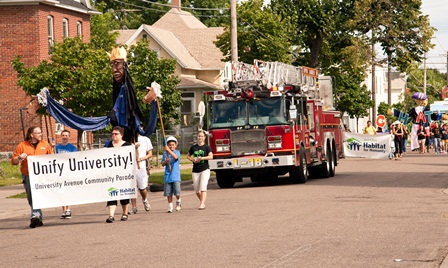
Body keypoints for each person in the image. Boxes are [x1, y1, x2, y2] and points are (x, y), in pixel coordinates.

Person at [11, 126, 52, 228]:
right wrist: (19, 157)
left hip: (42, 175)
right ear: (31, 134)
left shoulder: (45, 145)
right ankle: (39, 219)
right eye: (38, 133)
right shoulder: (22, 145)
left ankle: (35, 216)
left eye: (41, 133)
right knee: (31, 197)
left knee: (37, 196)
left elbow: (51, 158)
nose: (40, 135)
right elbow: (13, 161)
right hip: (28, 175)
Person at [105, 126, 131, 223]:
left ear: (121, 135)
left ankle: (125, 213)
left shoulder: (127, 145)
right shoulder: (108, 145)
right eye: (112, 134)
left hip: (124, 175)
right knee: (111, 194)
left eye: (116, 134)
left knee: (123, 195)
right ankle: (111, 216)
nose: (114, 135)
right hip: (111, 175)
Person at [187, 130, 213, 210]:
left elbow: (211, 157)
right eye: (199, 136)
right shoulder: (193, 147)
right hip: (195, 170)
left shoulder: (207, 147)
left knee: (203, 187)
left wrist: (202, 158)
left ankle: (202, 204)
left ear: (204, 137)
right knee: (196, 190)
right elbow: (188, 155)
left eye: (202, 136)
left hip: (205, 169)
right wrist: (192, 160)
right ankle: (202, 201)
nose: (200, 138)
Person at [55, 129, 77, 219]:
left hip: (68, 171)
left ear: (69, 137)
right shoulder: (57, 147)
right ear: (61, 136)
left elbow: (75, 159)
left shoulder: (72, 148)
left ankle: (68, 209)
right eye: (63, 135)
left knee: (67, 190)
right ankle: (64, 210)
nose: (64, 137)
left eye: (66, 136)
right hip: (59, 171)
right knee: (61, 190)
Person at [129, 133, 153, 214]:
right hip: (130, 167)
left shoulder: (145, 139)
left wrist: (142, 158)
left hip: (141, 167)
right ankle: (134, 207)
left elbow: (150, 154)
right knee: (131, 188)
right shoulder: (128, 139)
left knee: (142, 188)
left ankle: (145, 199)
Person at [161, 136, 181, 213]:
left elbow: (175, 157)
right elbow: (162, 164)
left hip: (175, 176)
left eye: (173, 145)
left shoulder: (177, 152)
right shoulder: (165, 154)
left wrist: (169, 150)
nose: (171, 146)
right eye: (169, 145)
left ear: (175, 145)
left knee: (177, 192)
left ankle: (178, 202)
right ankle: (170, 206)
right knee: (168, 193)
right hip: (168, 176)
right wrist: (166, 161)